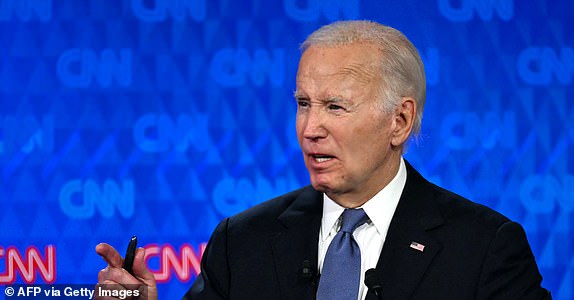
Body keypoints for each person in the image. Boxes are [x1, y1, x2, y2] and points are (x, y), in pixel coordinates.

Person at [96, 20, 551, 300]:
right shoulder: (243, 241)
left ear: (399, 120)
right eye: (303, 103)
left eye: (335, 106)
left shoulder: (484, 248)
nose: (310, 127)